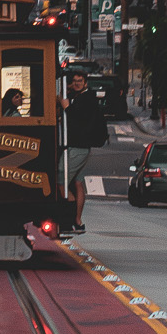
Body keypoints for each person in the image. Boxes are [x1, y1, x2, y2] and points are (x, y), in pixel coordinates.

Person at [64, 70, 107, 232]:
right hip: (81, 146)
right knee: (77, 182)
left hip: (78, 146)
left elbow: (77, 119)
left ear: (86, 83)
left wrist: (66, 107)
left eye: (79, 81)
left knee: (60, 179)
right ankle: (77, 219)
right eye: (74, 81)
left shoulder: (86, 99)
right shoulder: (83, 97)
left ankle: (70, 215)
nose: (76, 83)